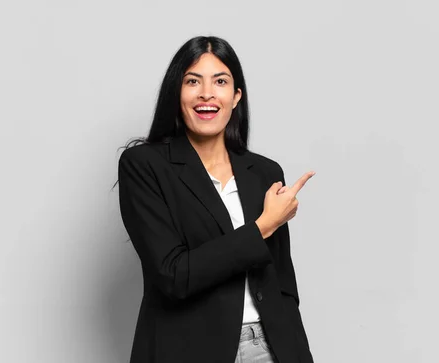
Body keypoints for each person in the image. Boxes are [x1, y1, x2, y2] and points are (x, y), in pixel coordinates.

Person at [117, 35, 315, 363]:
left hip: (269, 348)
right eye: (192, 81)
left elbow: (281, 285)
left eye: (220, 81)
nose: (207, 93)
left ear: (236, 96)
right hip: (186, 348)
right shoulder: (144, 166)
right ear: (176, 94)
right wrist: (263, 226)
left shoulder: (264, 172)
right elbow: (173, 275)